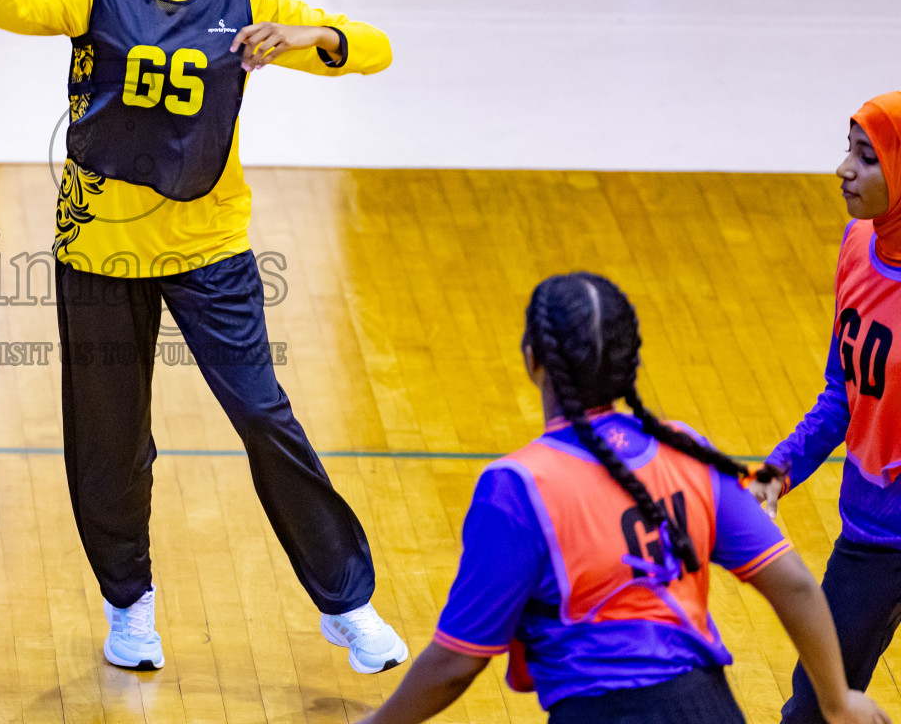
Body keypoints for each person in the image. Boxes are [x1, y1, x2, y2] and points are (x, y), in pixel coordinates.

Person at [0, 0, 405, 674]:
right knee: (110, 443)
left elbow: (374, 47)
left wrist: (308, 32)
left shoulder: (249, 1)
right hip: (100, 249)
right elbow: (9, 6)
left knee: (265, 417)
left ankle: (347, 605)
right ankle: (129, 607)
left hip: (211, 249)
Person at [359, 272, 888, 724]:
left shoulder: (519, 486)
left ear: (532, 360)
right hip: (710, 709)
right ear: (628, 365)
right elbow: (794, 583)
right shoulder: (685, 452)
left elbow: (457, 662)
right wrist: (837, 700)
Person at [750, 91, 901, 724]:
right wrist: (778, 470)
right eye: (849, 150)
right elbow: (842, 391)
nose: (844, 169)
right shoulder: (855, 246)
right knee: (814, 710)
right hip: (873, 534)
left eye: (866, 157)